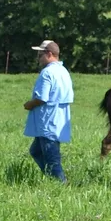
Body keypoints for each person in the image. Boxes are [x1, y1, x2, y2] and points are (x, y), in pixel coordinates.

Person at [23, 40, 74, 182]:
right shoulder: (64, 71)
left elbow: (42, 98)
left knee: (52, 157)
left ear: (49, 54)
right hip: (58, 119)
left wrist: (29, 104)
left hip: (47, 121)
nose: (38, 58)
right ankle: (52, 178)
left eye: (40, 55)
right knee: (36, 151)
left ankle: (60, 183)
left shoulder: (47, 73)